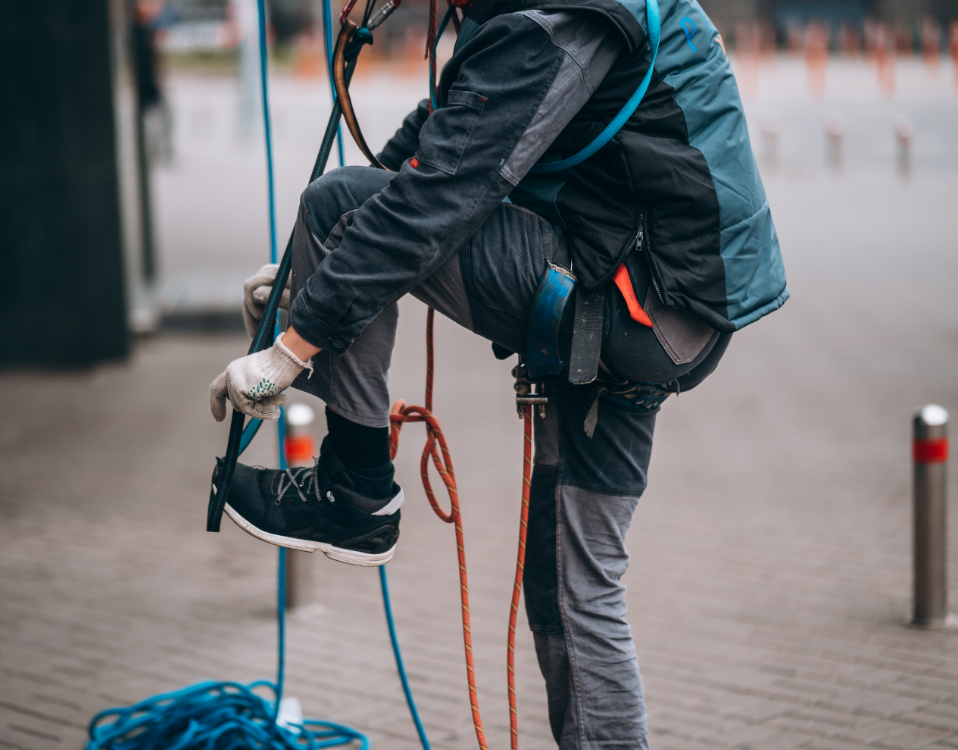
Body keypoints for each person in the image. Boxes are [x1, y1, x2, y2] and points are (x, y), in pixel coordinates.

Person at [208, 0, 786, 744]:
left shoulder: (556, 19)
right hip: (660, 306)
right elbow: (439, 134)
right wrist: (313, 280)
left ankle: (355, 494)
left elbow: (439, 195)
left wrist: (293, 345)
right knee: (571, 590)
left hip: (633, 304)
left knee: (335, 203)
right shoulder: (515, 17)